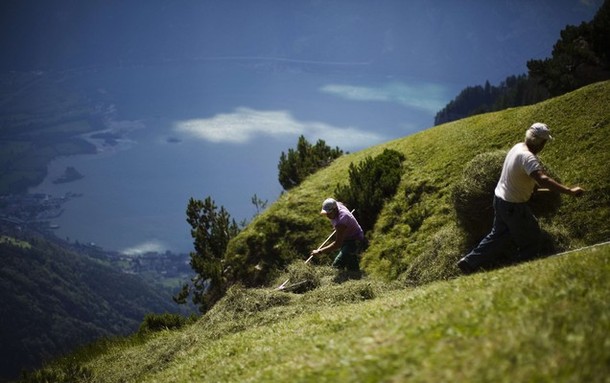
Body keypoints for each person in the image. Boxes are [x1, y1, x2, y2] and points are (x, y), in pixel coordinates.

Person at [457, 123, 584, 274]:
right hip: (513, 205)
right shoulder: (528, 158)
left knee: (497, 235)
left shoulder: (518, 147)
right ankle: (519, 270)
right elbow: (542, 179)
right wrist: (569, 191)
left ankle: (469, 262)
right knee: (531, 238)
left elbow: (518, 174)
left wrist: (532, 189)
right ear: (541, 143)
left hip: (499, 198)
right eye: (545, 142)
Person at [311, 198, 365, 275]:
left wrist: (319, 252)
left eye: (329, 213)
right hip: (346, 237)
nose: (328, 216)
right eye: (326, 213)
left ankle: (347, 278)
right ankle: (356, 276)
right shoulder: (336, 205)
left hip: (355, 239)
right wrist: (338, 229)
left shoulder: (342, 220)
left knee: (338, 264)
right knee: (351, 263)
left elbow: (337, 244)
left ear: (335, 209)